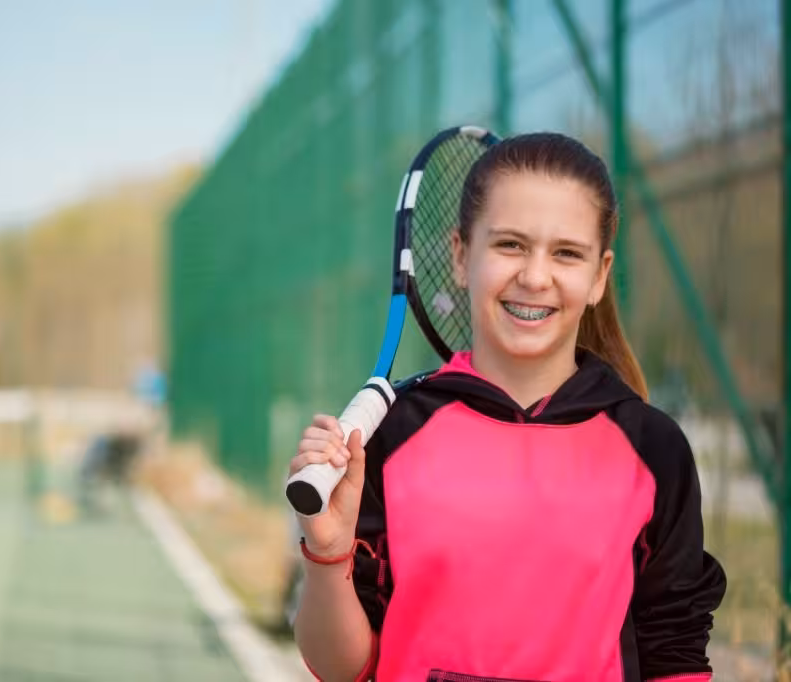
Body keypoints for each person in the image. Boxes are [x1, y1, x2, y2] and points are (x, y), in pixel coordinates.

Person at [288, 132, 726, 681]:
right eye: (511, 245)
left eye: (566, 253)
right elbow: (341, 668)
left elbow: (676, 655)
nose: (535, 277)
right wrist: (327, 556)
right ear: (460, 255)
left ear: (599, 276)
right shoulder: (391, 436)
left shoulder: (653, 450)